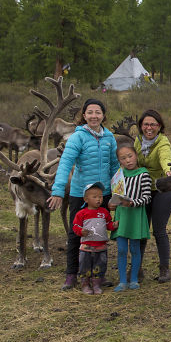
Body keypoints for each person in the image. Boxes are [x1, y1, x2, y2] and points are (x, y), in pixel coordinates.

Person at [48, 98, 119, 291]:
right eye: (90, 112)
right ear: (84, 115)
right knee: (76, 233)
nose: (94, 116)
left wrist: (118, 193)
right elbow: (65, 163)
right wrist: (58, 191)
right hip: (81, 195)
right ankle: (72, 274)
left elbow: (114, 166)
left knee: (100, 234)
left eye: (98, 112)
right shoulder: (77, 138)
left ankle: (98, 274)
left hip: (103, 194)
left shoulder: (109, 138)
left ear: (103, 115)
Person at [133, 109, 171, 283]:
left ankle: (164, 269)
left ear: (159, 126)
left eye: (153, 124)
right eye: (146, 124)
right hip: (142, 189)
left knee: (159, 230)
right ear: (141, 126)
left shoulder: (162, 142)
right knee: (141, 230)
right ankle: (137, 269)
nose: (149, 128)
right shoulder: (137, 141)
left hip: (163, 189)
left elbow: (164, 157)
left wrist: (168, 170)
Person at [109, 145, 152, 292]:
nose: (128, 160)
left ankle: (133, 279)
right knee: (121, 249)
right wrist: (112, 205)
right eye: (123, 158)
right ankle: (122, 281)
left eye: (130, 156)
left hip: (135, 215)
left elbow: (147, 197)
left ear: (136, 155)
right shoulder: (119, 175)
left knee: (134, 248)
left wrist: (133, 202)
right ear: (119, 161)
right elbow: (114, 194)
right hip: (121, 215)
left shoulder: (143, 174)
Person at [71, 182, 117, 295]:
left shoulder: (104, 212)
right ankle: (85, 284)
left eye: (100, 196)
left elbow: (108, 224)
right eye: (95, 197)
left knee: (100, 265)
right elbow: (75, 226)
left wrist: (114, 226)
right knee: (85, 266)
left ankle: (97, 284)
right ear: (86, 199)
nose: (98, 199)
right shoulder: (82, 213)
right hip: (86, 247)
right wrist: (81, 231)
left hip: (101, 247)